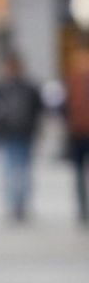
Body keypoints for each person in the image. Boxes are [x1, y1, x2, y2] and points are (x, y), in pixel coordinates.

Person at [0, 51, 43, 221]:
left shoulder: (30, 88)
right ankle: (13, 203)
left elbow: (37, 110)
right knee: (10, 169)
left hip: (25, 133)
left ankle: (22, 203)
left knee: (24, 170)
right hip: (8, 133)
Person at [64, 37, 89, 224]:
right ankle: (82, 208)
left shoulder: (74, 75)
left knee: (79, 173)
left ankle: (82, 208)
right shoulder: (74, 77)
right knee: (79, 173)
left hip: (78, 130)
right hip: (78, 130)